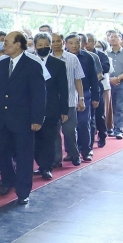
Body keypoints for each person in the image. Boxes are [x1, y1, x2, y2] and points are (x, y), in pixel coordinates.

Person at [0, 31, 46, 205]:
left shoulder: (32, 64)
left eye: (7, 42)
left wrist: (37, 119)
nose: (4, 44)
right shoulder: (3, 63)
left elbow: (39, 94)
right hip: (3, 118)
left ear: (18, 44)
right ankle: (8, 180)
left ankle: (23, 191)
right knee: (2, 152)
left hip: (24, 119)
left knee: (23, 156)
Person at [31, 33, 68, 180]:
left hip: (52, 107)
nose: (43, 47)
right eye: (40, 45)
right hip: (33, 108)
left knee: (49, 138)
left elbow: (63, 89)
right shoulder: (30, 62)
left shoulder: (58, 64)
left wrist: (64, 110)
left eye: (46, 44)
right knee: (36, 139)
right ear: (35, 47)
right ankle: (40, 163)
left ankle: (47, 167)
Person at [51, 32, 85, 168]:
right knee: (54, 133)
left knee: (69, 131)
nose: (56, 44)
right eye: (53, 41)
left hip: (70, 101)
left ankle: (74, 155)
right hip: (52, 103)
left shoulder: (72, 58)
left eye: (58, 41)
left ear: (63, 42)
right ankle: (56, 159)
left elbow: (78, 80)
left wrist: (81, 99)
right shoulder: (45, 59)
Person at [66, 34, 100, 162]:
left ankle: (86, 150)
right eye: (71, 43)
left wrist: (95, 96)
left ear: (81, 43)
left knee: (84, 122)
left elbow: (93, 78)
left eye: (77, 43)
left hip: (84, 93)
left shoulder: (88, 57)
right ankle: (71, 151)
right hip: (68, 94)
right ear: (66, 44)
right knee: (69, 125)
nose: (74, 46)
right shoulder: (62, 57)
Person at [86, 33, 111, 147]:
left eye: (90, 41)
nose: (87, 43)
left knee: (99, 113)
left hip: (97, 85)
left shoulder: (100, 55)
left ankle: (102, 135)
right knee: (87, 116)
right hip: (84, 87)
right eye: (85, 41)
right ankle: (88, 141)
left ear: (95, 42)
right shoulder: (80, 55)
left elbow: (106, 68)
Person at [106, 30, 123, 139]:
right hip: (108, 83)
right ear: (108, 39)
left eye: (116, 37)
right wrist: (110, 79)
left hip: (122, 83)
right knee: (109, 106)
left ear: (121, 39)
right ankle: (109, 128)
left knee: (120, 106)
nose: (113, 38)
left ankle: (118, 130)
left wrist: (118, 78)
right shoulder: (105, 53)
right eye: (111, 37)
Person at [96, 39, 115, 134]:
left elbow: (109, 70)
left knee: (104, 110)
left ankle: (106, 128)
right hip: (92, 86)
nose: (97, 47)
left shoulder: (105, 56)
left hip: (104, 86)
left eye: (99, 46)